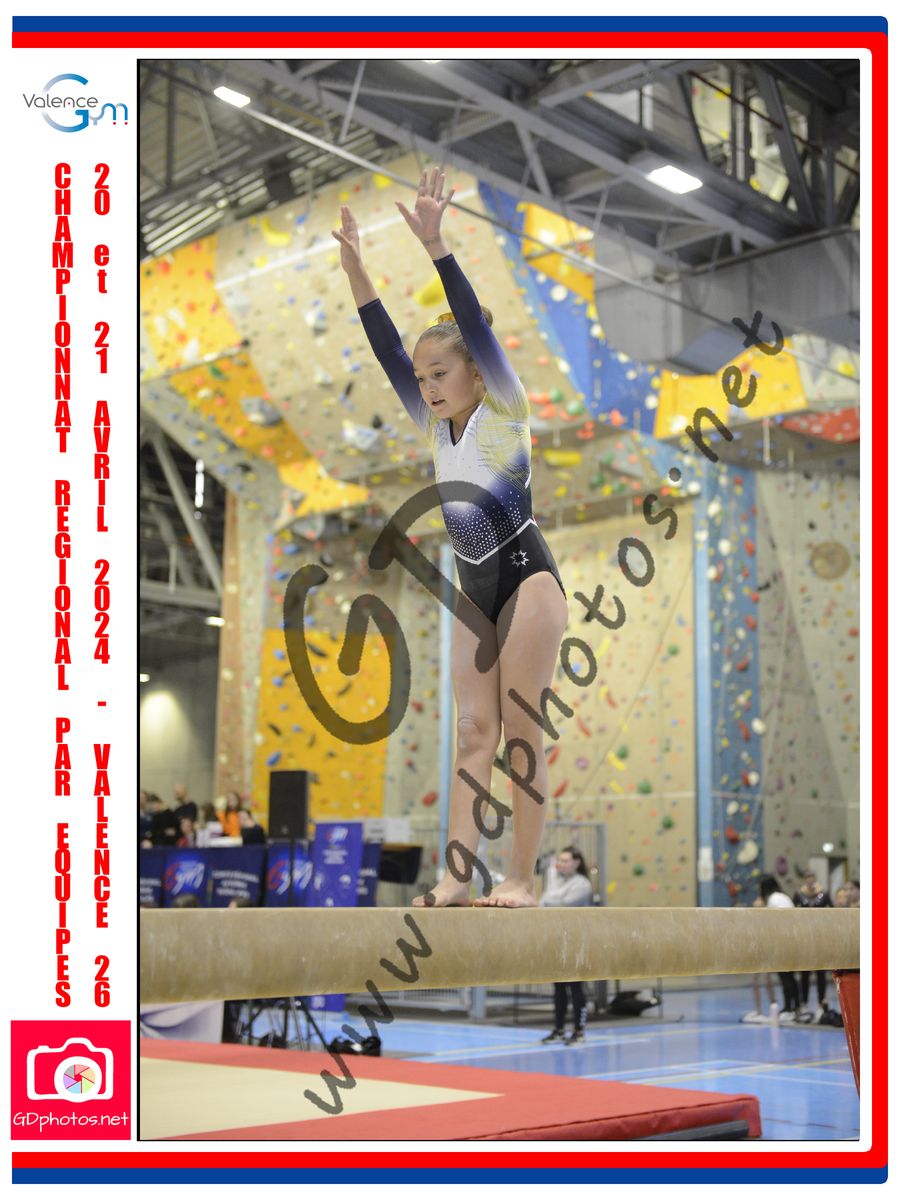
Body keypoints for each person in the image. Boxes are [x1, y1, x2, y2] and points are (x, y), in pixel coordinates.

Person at [334, 168, 568, 908]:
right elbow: (385, 349)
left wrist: (436, 246)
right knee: (472, 732)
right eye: (423, 378)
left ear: (476, 369)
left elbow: (472, 321)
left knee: (520, 731)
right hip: (473, 588)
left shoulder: (506, 404)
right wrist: (356, 270)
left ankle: (523, 878)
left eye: (440, 372)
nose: (428, 386)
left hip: (528, 578)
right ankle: (459, 877)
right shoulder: (435, 426)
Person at [538, 847, 594, 1044]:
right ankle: (559, 1029)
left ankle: (579, 1031)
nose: (560, 864)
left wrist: (549, 900)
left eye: (565, 860)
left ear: (576, 863)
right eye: (559, 860)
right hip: (557, 939)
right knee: (559, 988)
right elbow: (542, 902)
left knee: (576, 988)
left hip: (576, 941)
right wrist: (549, 900)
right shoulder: (554, 879)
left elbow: (563, 904)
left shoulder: (583, 884)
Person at [793, 870, 833, 1021]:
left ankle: (821, 1003)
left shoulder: (823, 893)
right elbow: (791, 913)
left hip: (820, 936)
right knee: (805, 973)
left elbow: (833, 911)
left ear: (815, 878)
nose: (810, 880)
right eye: (807, 877)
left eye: (812, 877)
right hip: (805, 937)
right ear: (805, 879)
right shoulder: (799, 894)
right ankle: (804, 1004)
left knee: (820, 973)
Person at [759, 874, 800, 1019]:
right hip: (793, 938)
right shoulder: (784, 897)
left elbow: (771, 923)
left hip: (783, 941)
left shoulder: (773, 899)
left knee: (785, 977)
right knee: (790, 976)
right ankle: (796, 1006)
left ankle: (789, 1007)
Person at [742, 895, 778, 1023]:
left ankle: (773, 1008)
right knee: (755, 981)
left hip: (766, 952)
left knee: (768, 982)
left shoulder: (767, 921)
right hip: (756, 952)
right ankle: (758, 1011)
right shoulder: (752, 921)